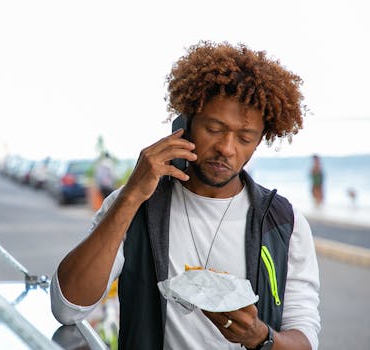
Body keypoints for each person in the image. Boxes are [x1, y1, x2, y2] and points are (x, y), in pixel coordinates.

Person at [51, 41, 320, 350]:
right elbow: (68, 308)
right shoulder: (135, 206)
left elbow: (304, 337)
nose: (227, 148)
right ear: (185, 124)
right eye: (214, 129)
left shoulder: (284, 222)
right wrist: (130, 196)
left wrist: (260, 337)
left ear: (259, 142)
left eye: (245, 138)